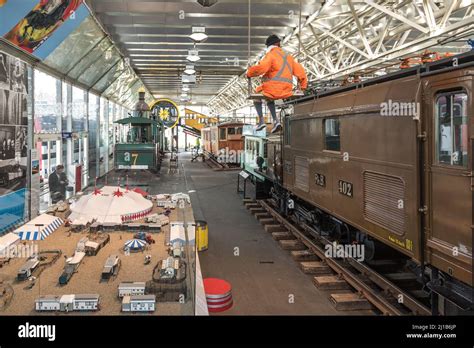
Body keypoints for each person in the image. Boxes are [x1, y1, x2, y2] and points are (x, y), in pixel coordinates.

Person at [247, 34, 308, 133]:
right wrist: (303, 87)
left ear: (269, 46)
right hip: (287, 90)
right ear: (278, 44)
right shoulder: (289, 57)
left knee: (257, 95)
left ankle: (261, 121)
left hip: (272, 89)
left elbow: (262, 68)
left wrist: (249, 73)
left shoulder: (270, 55)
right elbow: (301, 72)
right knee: (269, 97)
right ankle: (276, 121)